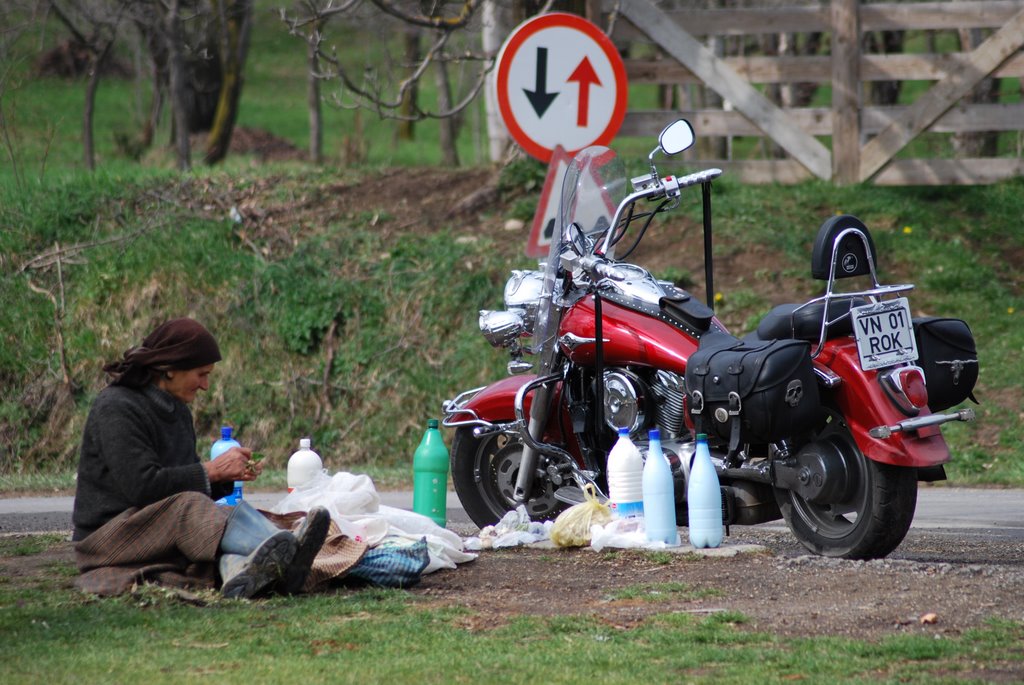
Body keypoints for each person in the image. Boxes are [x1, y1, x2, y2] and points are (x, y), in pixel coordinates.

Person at [71, 317, 332, 598]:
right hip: (108, 538)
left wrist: (225, 478)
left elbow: (179, 481)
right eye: (201, 374)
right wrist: (212, 472)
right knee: (190, 508)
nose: (206, 385)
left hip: (155, 526)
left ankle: (247, 571)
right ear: (170, 369)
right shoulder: (116, 407)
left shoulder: (178, 412)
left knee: (227, 515)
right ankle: (287, 554)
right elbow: (143, 487)